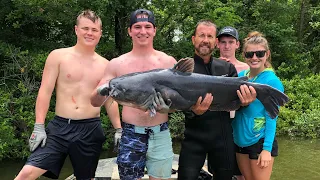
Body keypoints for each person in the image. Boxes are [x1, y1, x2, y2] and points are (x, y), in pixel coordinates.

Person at [14, 10, 108, 180]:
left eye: (94, 30)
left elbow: (110, 101)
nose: (89, 33)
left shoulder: (106, 65)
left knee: (86, 178)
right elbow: (45, 91)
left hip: (90, 128)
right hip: (60, 127)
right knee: (27, 173)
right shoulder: (58, 56)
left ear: (100, 33)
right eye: (85, 28)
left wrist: (119, 129)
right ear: (76, 30)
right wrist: (38, 126)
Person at [90, 9, 177, 180]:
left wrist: (169, 109)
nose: (142, 31)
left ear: (154, 30)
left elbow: (179, 103)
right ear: (129, 31)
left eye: (147, 26)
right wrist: (104, 89)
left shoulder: (168, 62)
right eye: (137, 27)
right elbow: (94, 101)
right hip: (130, 134)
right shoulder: (117, 64)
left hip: (161, 132)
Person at [177, 20, 257, 180]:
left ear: (215, 42)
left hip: (223, 139)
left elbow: (236, 104)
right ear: (193, 39)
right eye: (201, 35)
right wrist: (193, 111)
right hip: (193, 138)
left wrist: (245, 102)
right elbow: (176, 102)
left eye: (210, 36)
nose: (205, 40)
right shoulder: (182, 69)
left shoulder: (227, 69)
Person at [232, 31, 282, 180]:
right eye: (250, 54)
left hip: (259, 141)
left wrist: (267, 149)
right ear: (244, 56)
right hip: (240, 141)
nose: (254, 58)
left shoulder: (272, 81)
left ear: (267, 54)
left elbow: (272, 117)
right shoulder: (241, 77)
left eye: (259, 53)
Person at [216, 26, 249, 180]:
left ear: (237, 44)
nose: (226, 46)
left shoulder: (247, 69)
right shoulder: (210, 67)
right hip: (218, 124)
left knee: (242, 172)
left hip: (240, 123)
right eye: (223, 42)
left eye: (231, 42)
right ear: (217, 44)